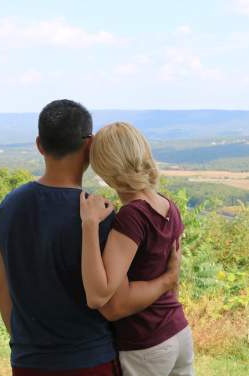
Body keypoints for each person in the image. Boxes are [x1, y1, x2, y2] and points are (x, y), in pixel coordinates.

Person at [0, 100, 180, 375]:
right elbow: (116, 302)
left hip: (28, 361)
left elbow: (0, 284)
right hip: (91, 360)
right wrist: (166, 281)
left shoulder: (6, 208)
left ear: (40, 145)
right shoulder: (101, 216)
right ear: (89, 147)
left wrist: (24, 344)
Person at [79, 122, 194, 376]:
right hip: (178, 331)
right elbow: (171, 277)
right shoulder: (168, 205)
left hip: (147, 343)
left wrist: (89, 224)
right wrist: (166, 281)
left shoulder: (132, 215)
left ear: (105, 169)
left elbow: (101, 294)